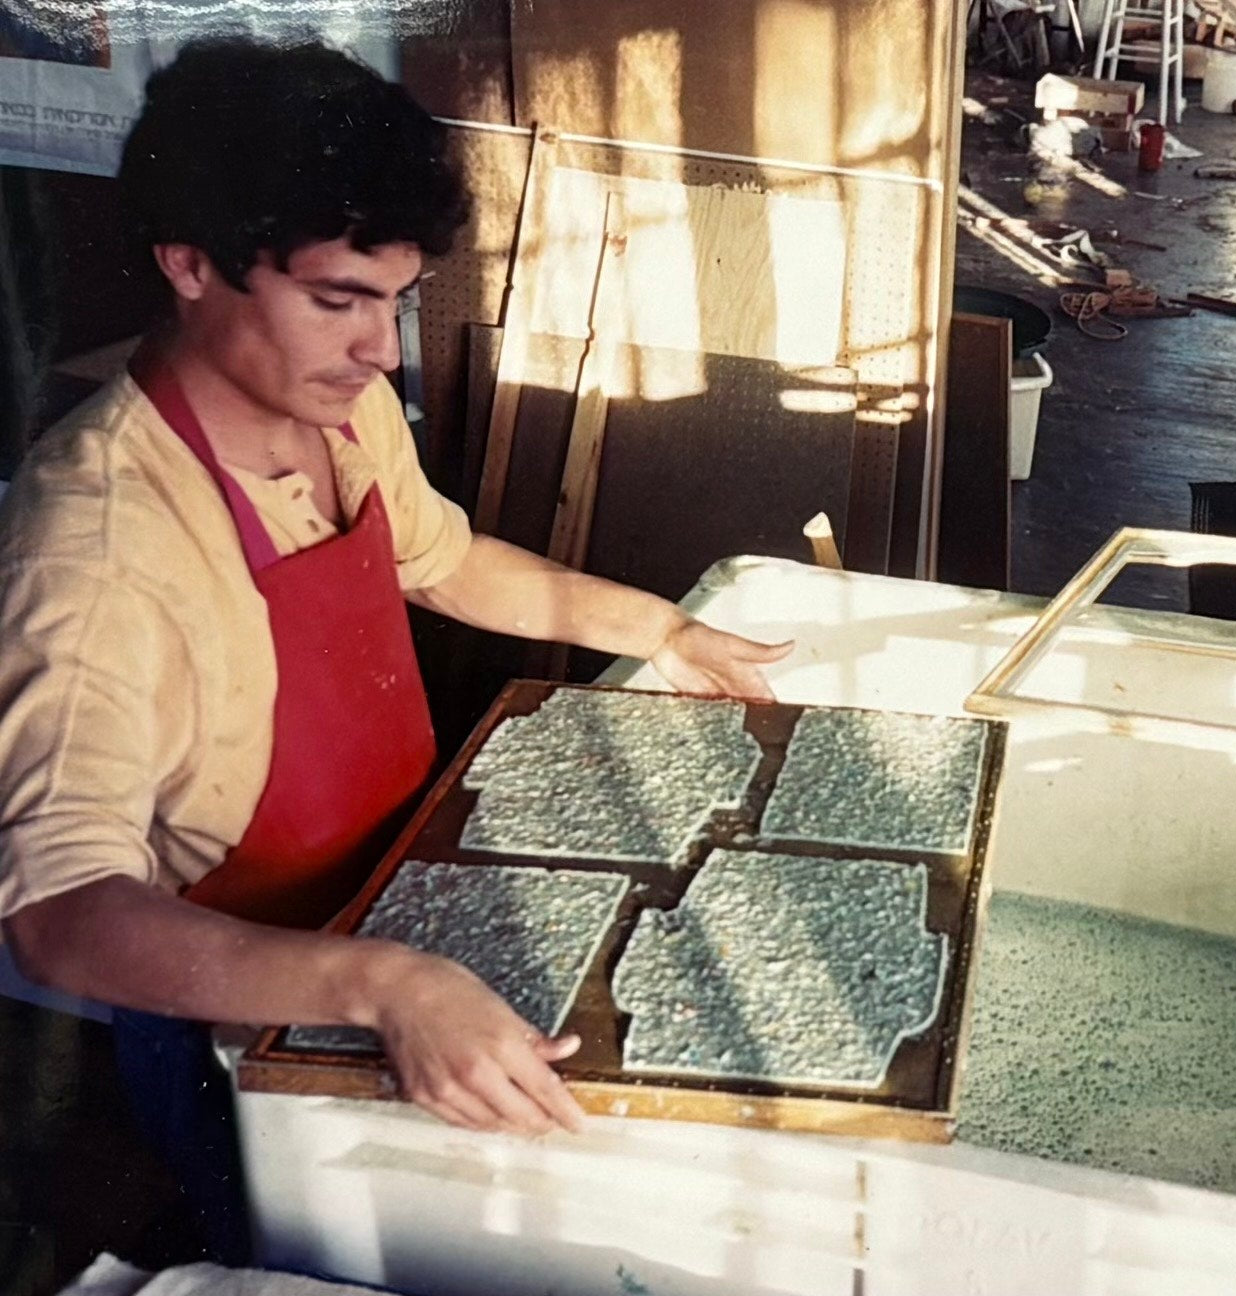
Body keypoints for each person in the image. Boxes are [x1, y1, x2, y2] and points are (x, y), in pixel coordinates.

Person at [0, 37, 791, 1260]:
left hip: (395, 908)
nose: (381, 350)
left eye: (396, 300)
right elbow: (59, 911)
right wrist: (381, 986)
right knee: (307, 1255)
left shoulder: (339, 403)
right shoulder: (98, 544)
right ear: (190, 263)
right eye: (338, 300)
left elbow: (443, 559)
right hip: (241, 1017)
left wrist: (660, 627)